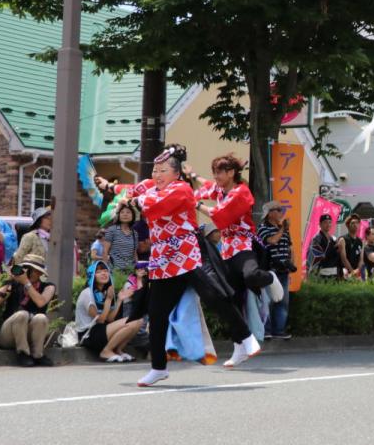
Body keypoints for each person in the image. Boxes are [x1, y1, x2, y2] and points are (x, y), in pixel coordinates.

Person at [95, 144, 263, 386]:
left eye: (162, 170)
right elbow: (131, 189)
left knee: (214, 296)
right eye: (154, 171)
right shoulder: (152, 187)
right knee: (157, 313)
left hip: (186, 254)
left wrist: (130, 202)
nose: (156, 175)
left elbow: (152, 204)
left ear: (175, 173)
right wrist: (110, 187)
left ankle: (246, 338)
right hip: (163, 259)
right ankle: (158, 368)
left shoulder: (181, 190)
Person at [190, 154, 284, 355]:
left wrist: (195, 203)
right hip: (227, 250)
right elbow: (207, 186)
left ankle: (269, 277)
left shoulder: (241, 193)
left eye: (219, 173)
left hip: (244, 245)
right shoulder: (222, 188)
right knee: (230, 300)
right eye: (214, 173)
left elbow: (220, 216)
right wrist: (194, 177)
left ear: (231, 173)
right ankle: (239, 346)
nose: (215, 177)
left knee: (251, 275)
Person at [0, 253, 55, 366]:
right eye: (24, 268)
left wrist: (26, 283)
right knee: (22, 314)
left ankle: (38, 355)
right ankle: (23, 354)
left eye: (30, 269)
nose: (25, 272)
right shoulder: (14, 284)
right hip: (8, 335)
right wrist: (9, 280)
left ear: (39, 273)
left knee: (41, 317)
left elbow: (40, 302)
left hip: (31, 335)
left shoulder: (48, 287)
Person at [75, 260, 131, 362]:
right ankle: (107, 351)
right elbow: (100, 320)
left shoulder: (104, 293)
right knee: (130, 321)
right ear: (92, 276)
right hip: (88, 335)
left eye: (106, 271)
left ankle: (118, 350)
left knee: (136, 321)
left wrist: (119, 300)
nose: (104, 273)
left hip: (101, 331)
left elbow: (110, 318)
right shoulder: (87, 293)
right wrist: (108, 300)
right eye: (99, 271)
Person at [256, 201, 295, 339]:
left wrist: (291, 263)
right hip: (270, 269)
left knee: (282, 301)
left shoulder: (282, 228)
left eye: (281, 209)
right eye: (278, 210)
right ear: (270, 213)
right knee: (267, 301)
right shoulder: (262, 227)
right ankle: (266, 330)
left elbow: (289, 247)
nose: (281, 213)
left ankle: (279, 330)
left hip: (283, 269)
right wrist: (283, 229)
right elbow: (272, 241)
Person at [104, 201, 141, 272]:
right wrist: (105, 270)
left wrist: (138, 267)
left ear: (133, 215)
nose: (125, 214)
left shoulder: (134, 233)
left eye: (128, 212)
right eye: (122, 212)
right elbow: (105, 251)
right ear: (119, 215)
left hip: (130, 271)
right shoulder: (112, 230)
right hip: (114, 270)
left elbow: (134, 253)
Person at [309, 214, 342, 278]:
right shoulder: (317, 238)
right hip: (321, 272)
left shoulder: (333, 238)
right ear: (320, 224)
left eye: (330, 222)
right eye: (325, 222)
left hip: (334, 272)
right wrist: (334, 248)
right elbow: (318, 256)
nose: (328, 224)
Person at [339, 214, 366, 279]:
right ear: (348, 225)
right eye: (353, 223)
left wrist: (357, 270)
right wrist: (352, 271)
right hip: (344, 272)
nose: (355, 225)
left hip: (357, 273)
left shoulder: (361, 241)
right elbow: (344, 259)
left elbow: (361, 259)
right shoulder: (342, 239)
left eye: (357, 223)